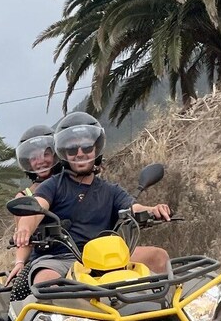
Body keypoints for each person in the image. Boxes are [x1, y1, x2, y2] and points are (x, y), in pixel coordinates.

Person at [14, 112, 171, 285]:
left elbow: (133, 207)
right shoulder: (52, 185)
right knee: (45, 281)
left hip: (105, 256)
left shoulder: (110, 190)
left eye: (87, 148)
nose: (80, 153)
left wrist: (153, 210)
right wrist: (25, 229)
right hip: (60, 258)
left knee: (159, 257)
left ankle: (164, 311)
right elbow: (36, 207)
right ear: (64, 153)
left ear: (96, 150)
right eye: (73, 149)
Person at [8, 125, 61, 281]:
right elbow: (22, 237)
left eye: (46, 154)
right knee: (19, 290)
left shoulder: (69, 183)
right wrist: (19, 262)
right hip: (43, 257)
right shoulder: (24, 196)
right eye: (34, 157)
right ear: (28, 162)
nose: (41, 161)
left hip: (79, 252)